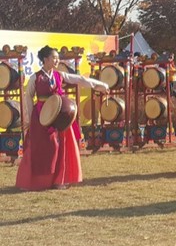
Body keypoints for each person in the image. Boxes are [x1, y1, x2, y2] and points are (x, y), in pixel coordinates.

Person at [16, 46, 109, 191]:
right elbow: (28, 96)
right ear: (45, 59)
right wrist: (29, 117)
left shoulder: (59, 75)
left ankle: (59, 180)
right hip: (41, 116)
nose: (57, 60)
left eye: (57, 58)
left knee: (61, 146)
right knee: (40, 147)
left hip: (58, 115)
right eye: (54, 57)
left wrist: (100, 85)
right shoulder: (36, 77)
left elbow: (79, 79)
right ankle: (36, 181)